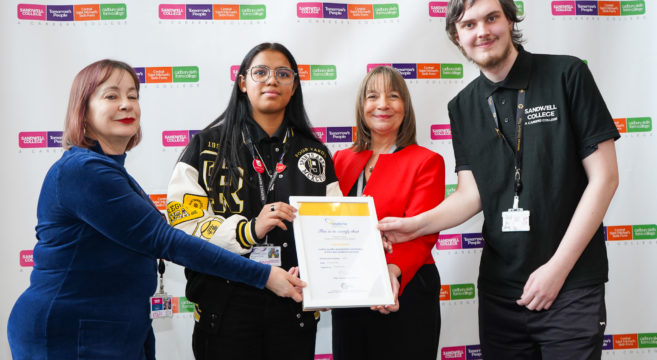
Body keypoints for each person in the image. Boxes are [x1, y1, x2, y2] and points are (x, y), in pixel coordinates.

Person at [6, 59, 304, 360]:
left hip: (114, 329)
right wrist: (265, 277)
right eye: (111, 96)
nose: (126, 105)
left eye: (133, 96)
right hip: (68, 332)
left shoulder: (111, 172)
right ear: (83, 112)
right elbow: (166, 240)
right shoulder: (83, 172)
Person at [378, 0, 620, 359]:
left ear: (509, 20)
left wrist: (556, 269)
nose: (482, 32)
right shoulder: (462, 106)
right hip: (501, 294)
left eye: (491, 18)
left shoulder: (566, 74)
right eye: (469, 25)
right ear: (456, 36)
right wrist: (414, 225)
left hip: (571, 285)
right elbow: (470, 194)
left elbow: (605, 178)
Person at [166, 42, 340, 360]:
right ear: (243, 82)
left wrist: (329, 275)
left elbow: (334, 226)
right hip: (225, 312)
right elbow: (181, 227)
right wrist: (248, 231)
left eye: (282, 74)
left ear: (294, 85)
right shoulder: (205, 146)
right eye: (260, 72)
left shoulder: (315, 153)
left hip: (294, 311)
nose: (271, 80)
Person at [331, 66, 445, 360]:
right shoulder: (341, 159)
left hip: (406, 287)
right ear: (362, 106)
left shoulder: (427, 161)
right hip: (350, 288)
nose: (382, 104)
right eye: (372, 96)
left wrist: (391, 273)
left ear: (405, 107)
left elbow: (424, 232)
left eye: (393, 96)